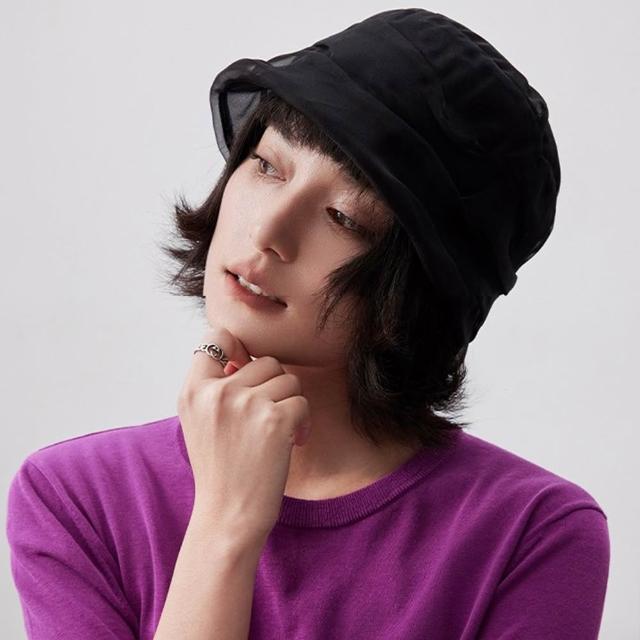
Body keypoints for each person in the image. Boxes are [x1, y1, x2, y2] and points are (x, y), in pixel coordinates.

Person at [6, 8, 610, 640]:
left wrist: (229, 523)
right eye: (268, 166)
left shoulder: (531, 533)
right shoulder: (77, 498)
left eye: (343, 217)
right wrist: (224, 525)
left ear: (418, 290)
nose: (268, 231)